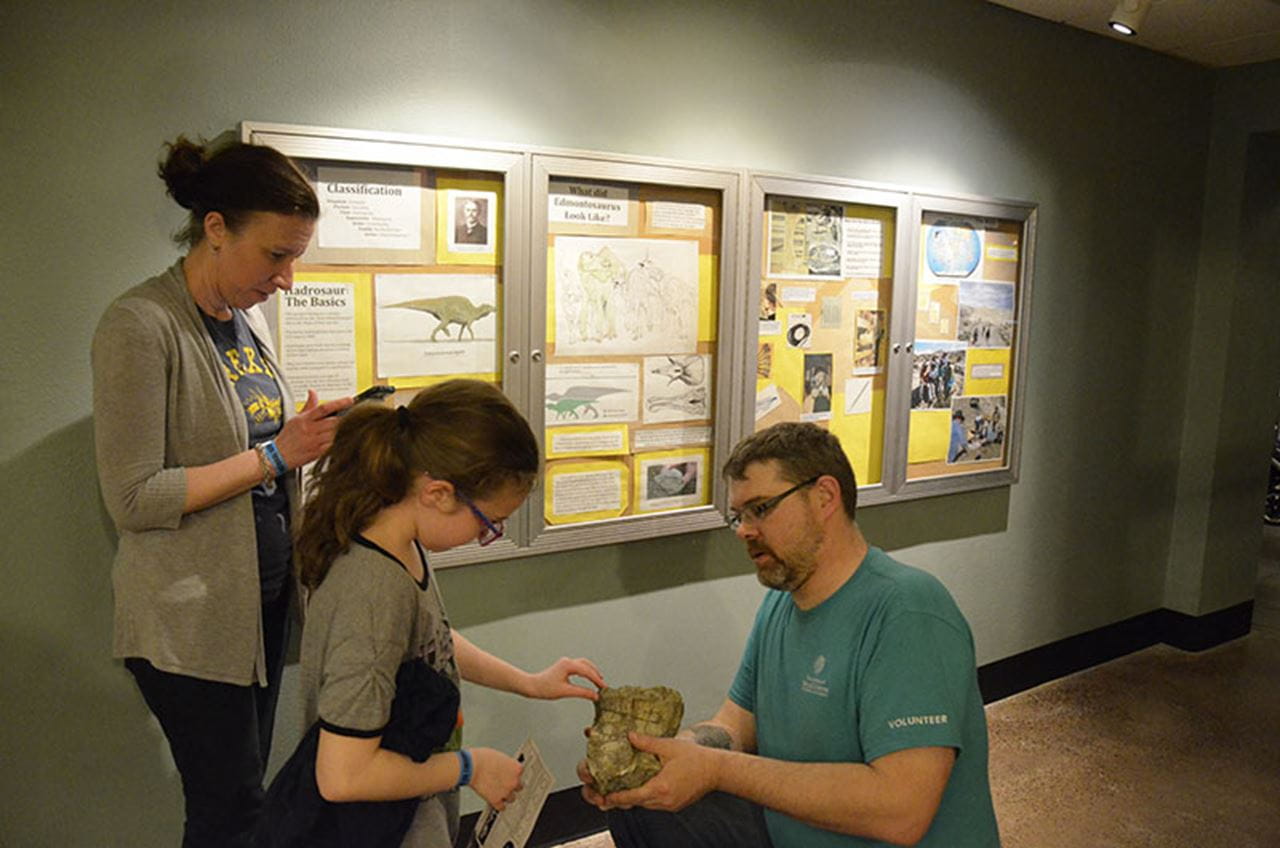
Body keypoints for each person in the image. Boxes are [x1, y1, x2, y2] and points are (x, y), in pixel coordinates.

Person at [92, 135, 353, 846]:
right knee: (231, 810)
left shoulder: (247, 318)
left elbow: (251, 445)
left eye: (296, 258)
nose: (288, 279)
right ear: (215, 228)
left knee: (244, 799)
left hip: (255, 608)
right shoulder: (139, 325)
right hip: (189, 622)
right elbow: (134, 497)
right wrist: (275, 454)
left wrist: (302, 438)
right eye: (276, 255)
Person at [581, 422, 1000, 847]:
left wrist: (716, 769)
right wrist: (665, 753)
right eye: (739, 516)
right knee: (638, 802)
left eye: (761, 508)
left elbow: (901, 812)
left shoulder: (908, 611)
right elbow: (736, 723)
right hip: (795, 830)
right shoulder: (781, 603)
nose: (744, 530)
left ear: (825, 498)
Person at [261, 379, 605, 847]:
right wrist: (470, 767)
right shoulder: (373, 589)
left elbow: (430, 644)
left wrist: (528, 682)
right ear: (439, 493)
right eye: (488, 524)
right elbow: (342, 775)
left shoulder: (396, 540)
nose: (487, 538)